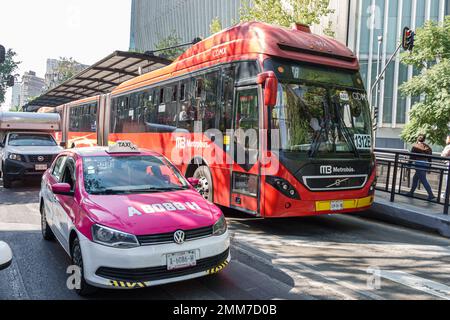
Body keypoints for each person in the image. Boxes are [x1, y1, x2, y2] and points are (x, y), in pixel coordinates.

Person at [408, 134, 435, 200]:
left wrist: (409, 165)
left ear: (417, 139)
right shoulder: (428, 147)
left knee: (423, 180)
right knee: (415, 178)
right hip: (426, 164)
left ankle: (431, 195)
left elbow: (411, 157)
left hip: (419, 163)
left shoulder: (415, 146)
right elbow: (430, 158)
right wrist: (429, 167)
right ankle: (411, 192)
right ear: (424, 139)